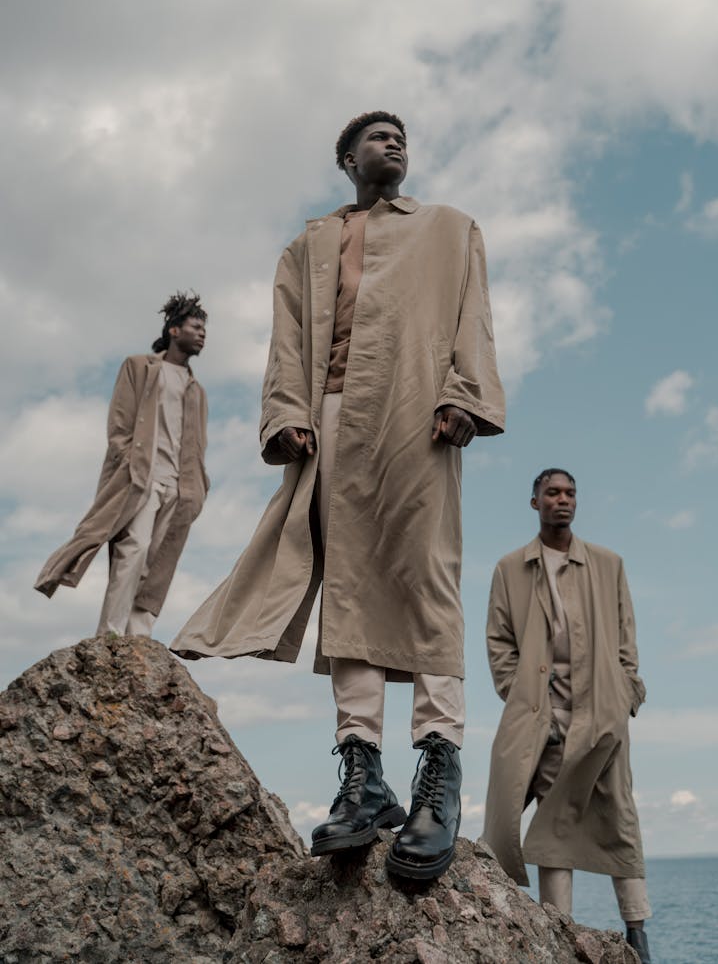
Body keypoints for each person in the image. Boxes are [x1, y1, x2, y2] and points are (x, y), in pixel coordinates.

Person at [171, 111, 505, 880]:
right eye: (377, 135)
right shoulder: (308, 245)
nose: (395, 142)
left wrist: (466, 395)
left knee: (429, 578)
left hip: (420, 410)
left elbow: (472, 319)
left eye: (402, 136)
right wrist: (287, 413)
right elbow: (285, 340)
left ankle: (439, 773)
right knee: (347, 590)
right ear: (345, 157)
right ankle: (363, 774)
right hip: (329, 417)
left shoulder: (451, 228)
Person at [482, 469, 652, 964]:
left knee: (620, 814)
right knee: (552, 815)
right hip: (541, 717)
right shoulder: (510, 569)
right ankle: (560, 931)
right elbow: (498, 642)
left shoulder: (608, 564)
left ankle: (637, 931)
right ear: (534, 501)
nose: (563, 500)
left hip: (602, 715)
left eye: (570, 493)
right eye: (553, 493)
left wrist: (626, 695)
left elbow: (626, 640)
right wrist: (518, 692)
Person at [35, 292, 209, 638]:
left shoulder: (196, 389)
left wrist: (200, 484)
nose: (203, 334)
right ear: (174, 330)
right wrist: (128, 462)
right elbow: (119, 423)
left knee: (158, 563)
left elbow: (198, 443)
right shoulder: (139, 367)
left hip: (180, 486)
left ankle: (138, 636)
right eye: (196, 326)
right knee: (135, 549)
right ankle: (111, 635)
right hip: (141, 477)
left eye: (204, 329)